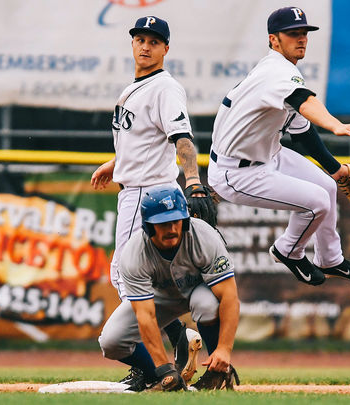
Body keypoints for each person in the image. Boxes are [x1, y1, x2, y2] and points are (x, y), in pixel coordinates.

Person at [207, 6, 350, 286]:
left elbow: (302, 132)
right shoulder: (276, 72)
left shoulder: (283, 73)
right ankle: (288, 251)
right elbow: (304, 101)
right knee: (316, 202)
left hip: (269, 155)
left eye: (304, 33)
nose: (301, 39)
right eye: (293, 33)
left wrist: (337, 170)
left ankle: (330, 259)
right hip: (236, 172)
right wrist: (335, 124)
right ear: (273, 40)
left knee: (328, 186)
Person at [90, 16, 216, 385]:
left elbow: (182, 138)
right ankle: (178, 341)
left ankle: (157, 363)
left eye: (154, 41)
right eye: (140, 39)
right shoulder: (135, 88)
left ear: (165, 48)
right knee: (145, 278)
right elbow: (145, 139)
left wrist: (194, 181)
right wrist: (115, 163)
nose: (146, 46)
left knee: (125, 276)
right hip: (140, 187)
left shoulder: (165, 87)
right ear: (132, 43)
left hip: (147, 193)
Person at [98, 185, 240, 391]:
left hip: (198, 290)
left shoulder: (204, 236)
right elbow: (145, 316)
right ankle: (157, 377)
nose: (172, 229)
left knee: (207, 305)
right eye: (163, 223)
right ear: (148, 226)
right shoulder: (134, 253)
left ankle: (217, 372)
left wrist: (224, 349)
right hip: (160, 297)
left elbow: (229, 297)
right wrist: (162, 367)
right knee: (111, 341)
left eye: (176, 221)